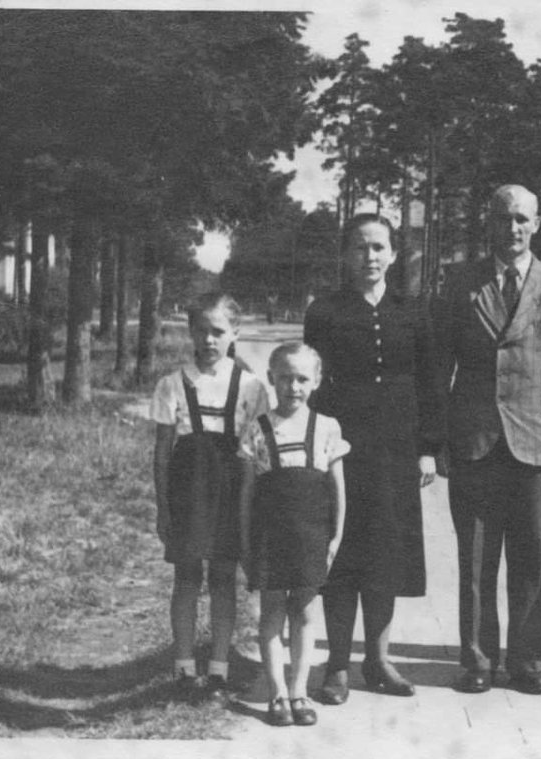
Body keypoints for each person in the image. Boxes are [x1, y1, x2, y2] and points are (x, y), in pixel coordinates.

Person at [439, 184, 541, 695]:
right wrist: (438, 440)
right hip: (474, 439)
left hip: (536, 442)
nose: (513, 228)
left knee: (530, 559)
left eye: (522, 219)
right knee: (476, 561)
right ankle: (478, 661)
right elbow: (441, 365)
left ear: (538, 223)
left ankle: (528, 662)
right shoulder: (461, 282)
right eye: (503, 219)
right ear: (490, 223)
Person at [304, 213, 445, 705]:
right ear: (347, 255)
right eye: (361, 248)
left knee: (386, 554)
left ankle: (378, 660)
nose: (370, 257)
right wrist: (313, 447)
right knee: (341, 552)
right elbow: (312, 384)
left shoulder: (414, 310)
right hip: (342, 449)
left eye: (379, 247)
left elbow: (430, 382)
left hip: (397, 449)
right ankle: (338, 664)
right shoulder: (325, 310)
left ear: (393, 253)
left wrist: (428, 448)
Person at [151, 292, 269, 700]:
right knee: (186, 577)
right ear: (191, 333)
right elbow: (163, 452)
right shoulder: (172, 384)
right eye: (201, 330)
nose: (209, 340)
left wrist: (255, 511)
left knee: (223, 577)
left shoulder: (252, 387)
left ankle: (219, 666)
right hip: (188, 492)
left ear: (235, 333)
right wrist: (162, 506)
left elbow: (258, 454)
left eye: (218, 331)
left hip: (231, 491)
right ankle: (184, 665)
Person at [239, 342, 349, 727]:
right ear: (271, 380)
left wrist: (335, 538)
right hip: (271, 535)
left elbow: (338, 490)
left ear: (316, 381)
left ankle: (299, 690)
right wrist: (245, 541)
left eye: (302, 378)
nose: (293, 386)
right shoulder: (258, 428)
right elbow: (248, 494)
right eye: (284, 378)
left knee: (304, 613)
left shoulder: (327, 427)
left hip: (311, 536)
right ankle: (276, 694)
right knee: (271, 613)